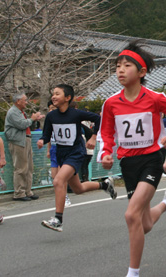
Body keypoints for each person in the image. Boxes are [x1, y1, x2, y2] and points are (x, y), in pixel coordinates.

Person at [98, 40, 166, 277]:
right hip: (128, 163)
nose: (120, 70)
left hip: (151, 158)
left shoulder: (156, 98)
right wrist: (106, 153)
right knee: (144, 223)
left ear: (141, 72)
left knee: (131, 216)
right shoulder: (110, 103)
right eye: (117, 65)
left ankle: (133, 273)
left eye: (126, 65)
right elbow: (106, 133)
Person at [37, 84, 116, 232]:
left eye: (57, 94)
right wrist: (42, 140)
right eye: (53, 93)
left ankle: (58, 219)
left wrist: (93, 137)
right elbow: (46, 134)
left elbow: (99, 119)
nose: (53, 96)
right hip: (61, 154)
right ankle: (104, 185)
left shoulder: (76, 114)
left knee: (58, 180)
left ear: (67, 98)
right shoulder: (51, 116)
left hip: (76, 152)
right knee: (78, 188)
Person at [4, 92, 44, 201]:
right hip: (18, 141)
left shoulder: (21, 112)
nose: (26, 102)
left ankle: (28, 191)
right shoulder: (13, 112)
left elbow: (26, 124)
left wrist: (34, 119)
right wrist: (32, 119)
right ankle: (19, 193)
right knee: (21, 167)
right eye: (25, 100)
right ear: (18, 101)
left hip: (26, 139)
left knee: (29, 167)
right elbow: (22, 124)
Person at [46, 100, 71, 207]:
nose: (52, 110)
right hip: (53, 149)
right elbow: (47, 136)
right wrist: (48, 150)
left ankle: (65, 197)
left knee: (61, 176)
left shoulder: (62, 119)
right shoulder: (49, 120)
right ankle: (59, 196)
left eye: (54, 108)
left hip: (62, 148)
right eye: (50, 108)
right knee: (54, 176)